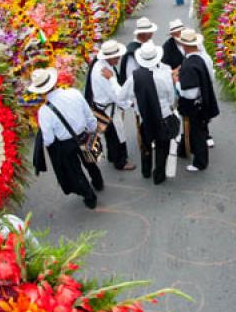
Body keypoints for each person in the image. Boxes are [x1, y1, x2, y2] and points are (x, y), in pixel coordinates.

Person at [30, 67, 104, 209]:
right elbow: (89, 116)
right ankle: (98, 182)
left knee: (76, 172)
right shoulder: (74, 93)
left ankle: (90, 197)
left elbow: (49, 140)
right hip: (83, 135)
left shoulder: (44, 111)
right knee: (90, 162)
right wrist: (93, 129)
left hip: (66, 145)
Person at [120, 41, 177, 185]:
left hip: (145, 117)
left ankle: (145, 171)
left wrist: (134, 103)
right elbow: (171, 98)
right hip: (163, 116)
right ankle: (159, 175)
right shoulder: (164, 75)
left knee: (145, 146)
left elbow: (121, 97)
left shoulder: (134, 77)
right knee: (162, 147)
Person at [85, 40, 135, 171]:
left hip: (103, 106)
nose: (119, 59)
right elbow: (117, 95)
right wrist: (130, 103)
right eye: (117, 57)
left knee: (110, 134)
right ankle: (121, 161)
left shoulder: (102, 65)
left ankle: (113, 156)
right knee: (117, 135)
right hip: (108, 108)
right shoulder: (103, 72)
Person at [176, 28, 219, 172]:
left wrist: (177, 82)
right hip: (202, 102)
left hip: (194, 106)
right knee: (198, 132)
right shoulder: (199, 59)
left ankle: (200, 163)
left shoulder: (189, 64)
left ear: (185, 45)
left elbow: (190, 94)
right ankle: (193, 154)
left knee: (197, 133)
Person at [118, 17, 158, 84]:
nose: (152, 33)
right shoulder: (132, 52)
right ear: (144, 34)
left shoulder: (148, 43)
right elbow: (131, 77)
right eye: (150, 31)